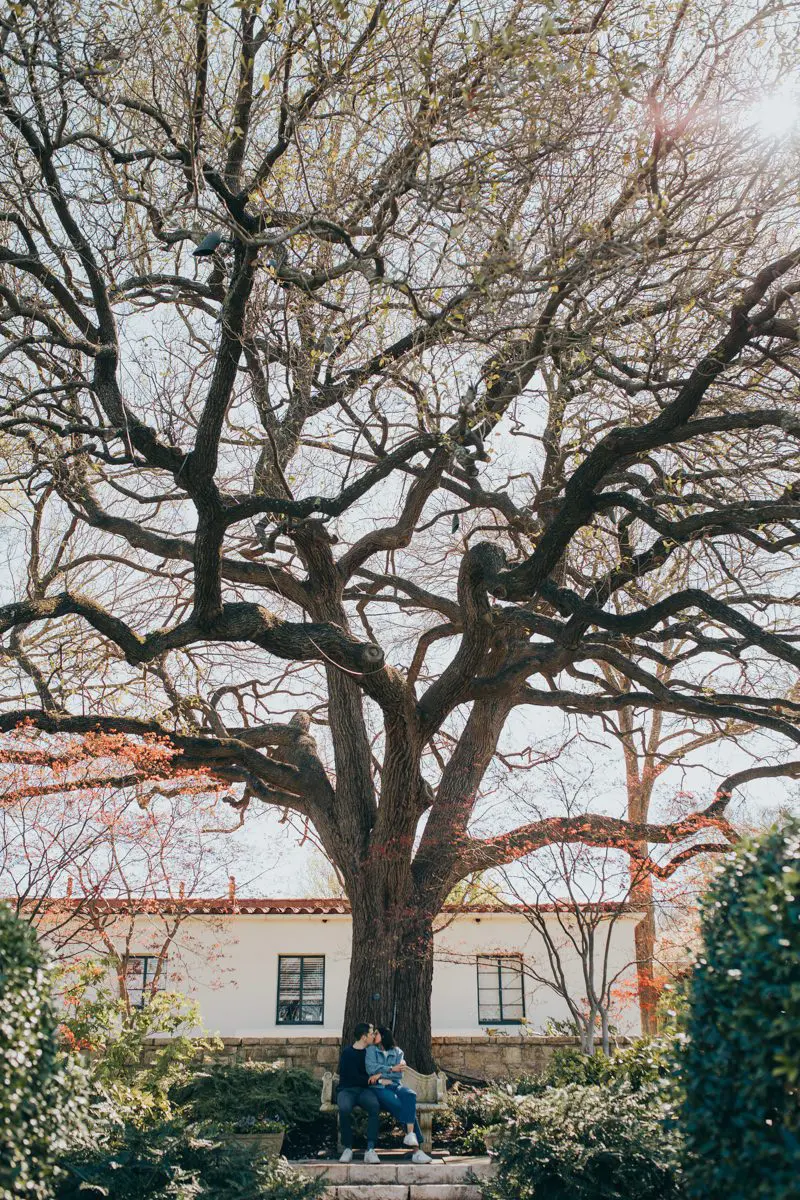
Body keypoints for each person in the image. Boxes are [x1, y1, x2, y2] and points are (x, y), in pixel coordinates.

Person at [365, 1026, 433, 1164]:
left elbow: (399, 1074)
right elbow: (370, 1068)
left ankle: (410, 1134)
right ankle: (416, 1150)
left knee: (410, 1095)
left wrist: (380, 1074)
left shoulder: (397, 1052)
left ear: (383, 1036)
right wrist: (390, 1069)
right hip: (378, 1087)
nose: (373, 1036)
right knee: (400, 1105)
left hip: (395, 1085)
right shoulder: (371, 1050)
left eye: (376, 1033)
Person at [336, 1022, 382, 1164]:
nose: (373, 1035)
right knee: (344, 1109)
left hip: (364, 1091)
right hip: (347, 1090)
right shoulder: (348, 1053)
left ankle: (370, 1149)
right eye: (370, 1033)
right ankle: (348, 1148)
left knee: (374, 1106)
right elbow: (351, 1077)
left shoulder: (371, 1052)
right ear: (363, 1037)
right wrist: (370, 1079)